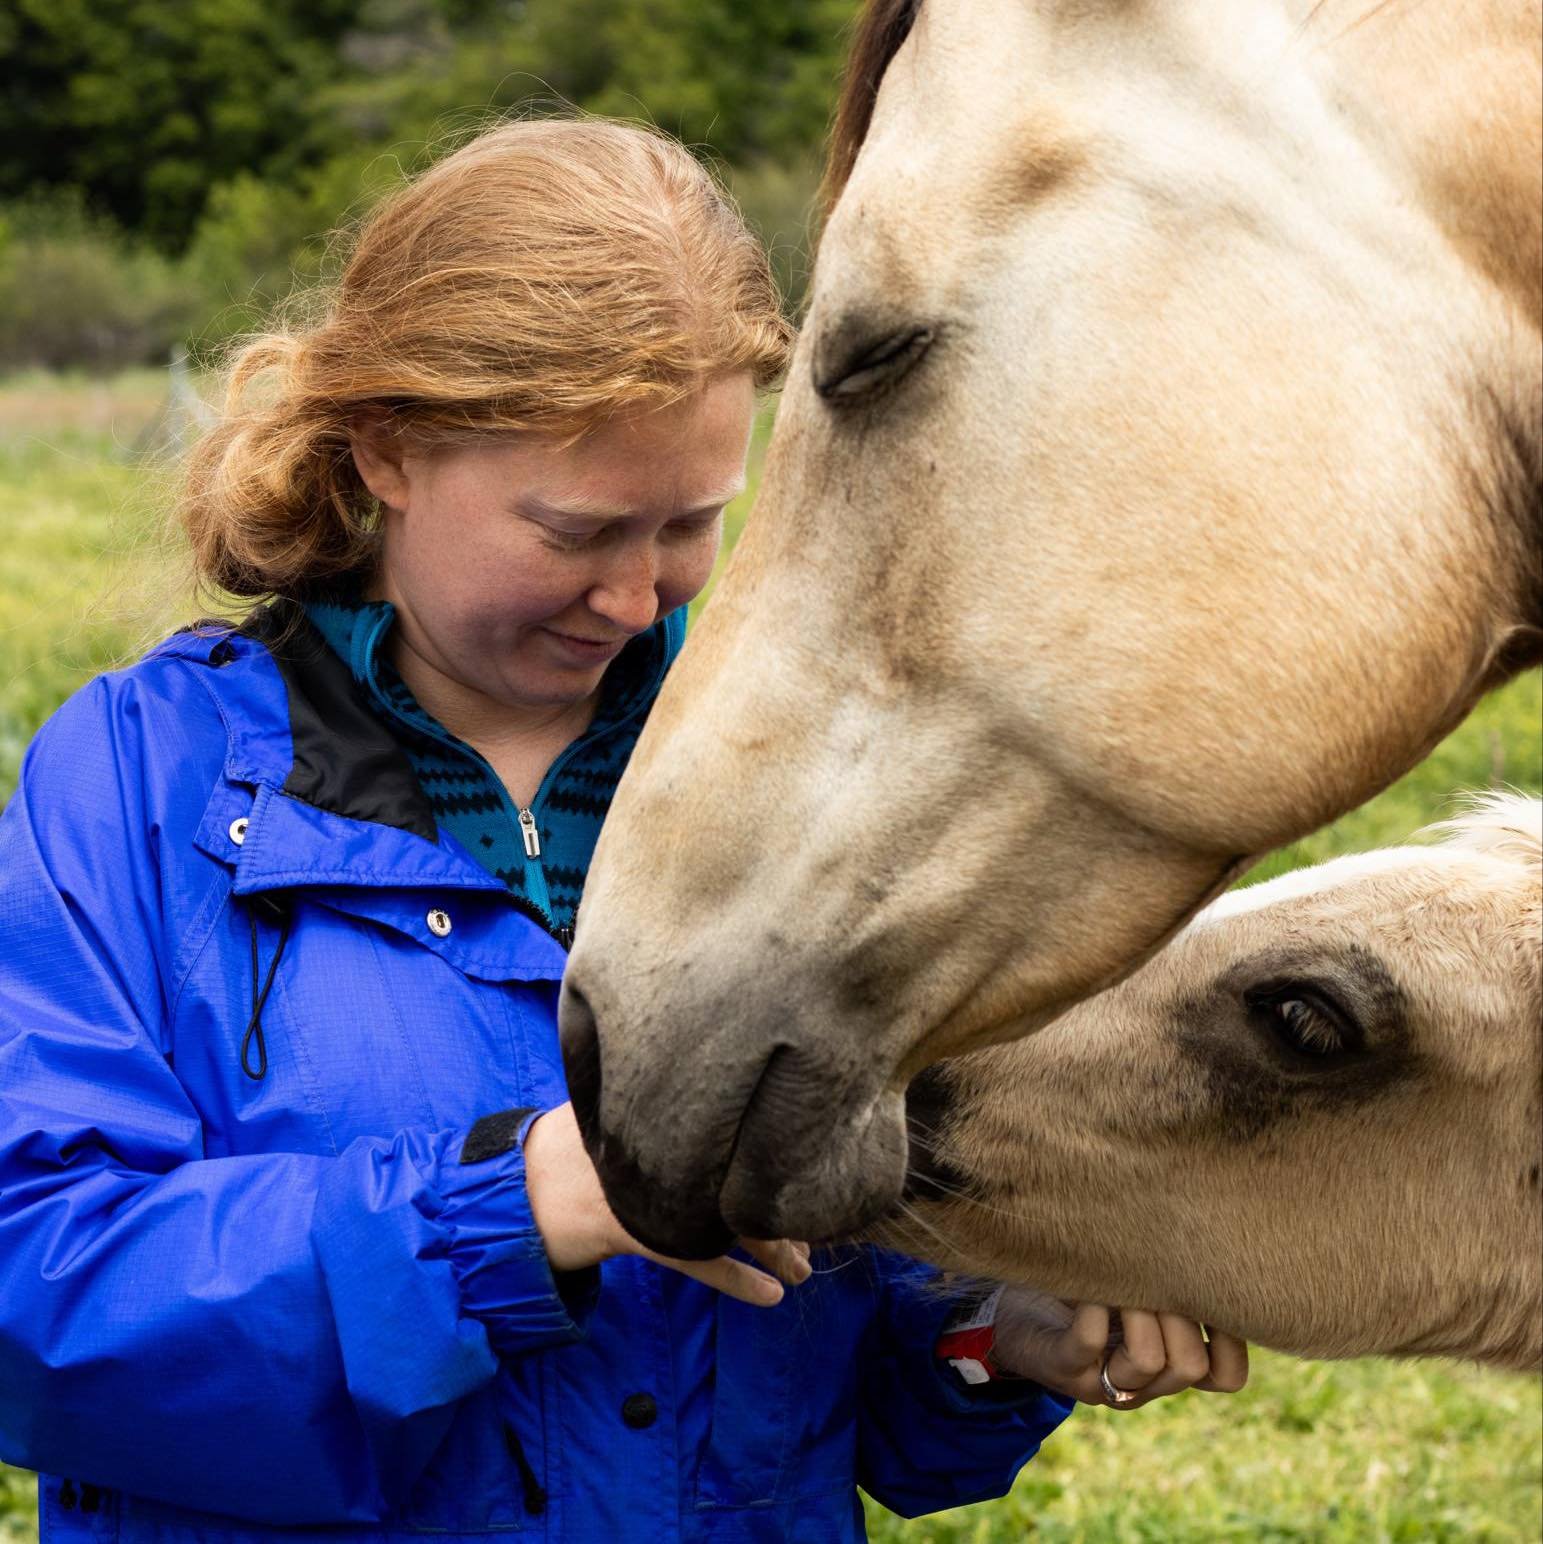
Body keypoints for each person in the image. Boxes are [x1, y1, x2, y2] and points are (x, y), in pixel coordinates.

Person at [0, 118, 1247, 1544]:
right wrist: (509, 1212)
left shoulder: (798, 775)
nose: (637, 593)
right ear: (388, 452)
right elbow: (33, 1292)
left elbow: (865, 1376)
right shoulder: (138, 780)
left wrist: (990, 1331)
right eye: (576, 530)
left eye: (690, 523)